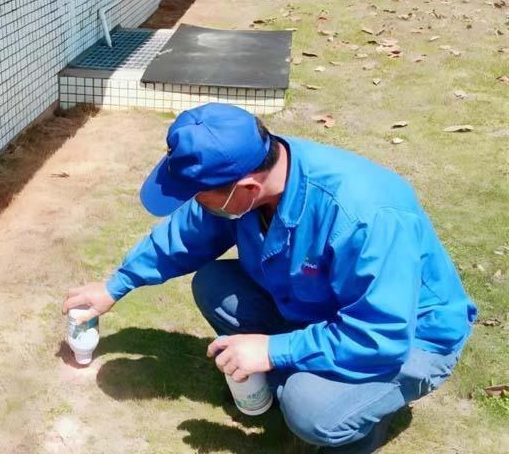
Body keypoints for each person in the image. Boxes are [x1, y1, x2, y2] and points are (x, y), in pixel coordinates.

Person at [63, 103, 476, 452]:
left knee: (310, 409)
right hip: (324, 309)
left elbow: (380, 335)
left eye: (199, 197)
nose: (195, 204)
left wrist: (273, 350)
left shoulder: (366, 216)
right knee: (214, 284)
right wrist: (115, 285)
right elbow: (186, 235)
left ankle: (356, 417)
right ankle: (303, 372)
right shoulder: (250, 175)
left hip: (409, 339)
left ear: (247, 188)